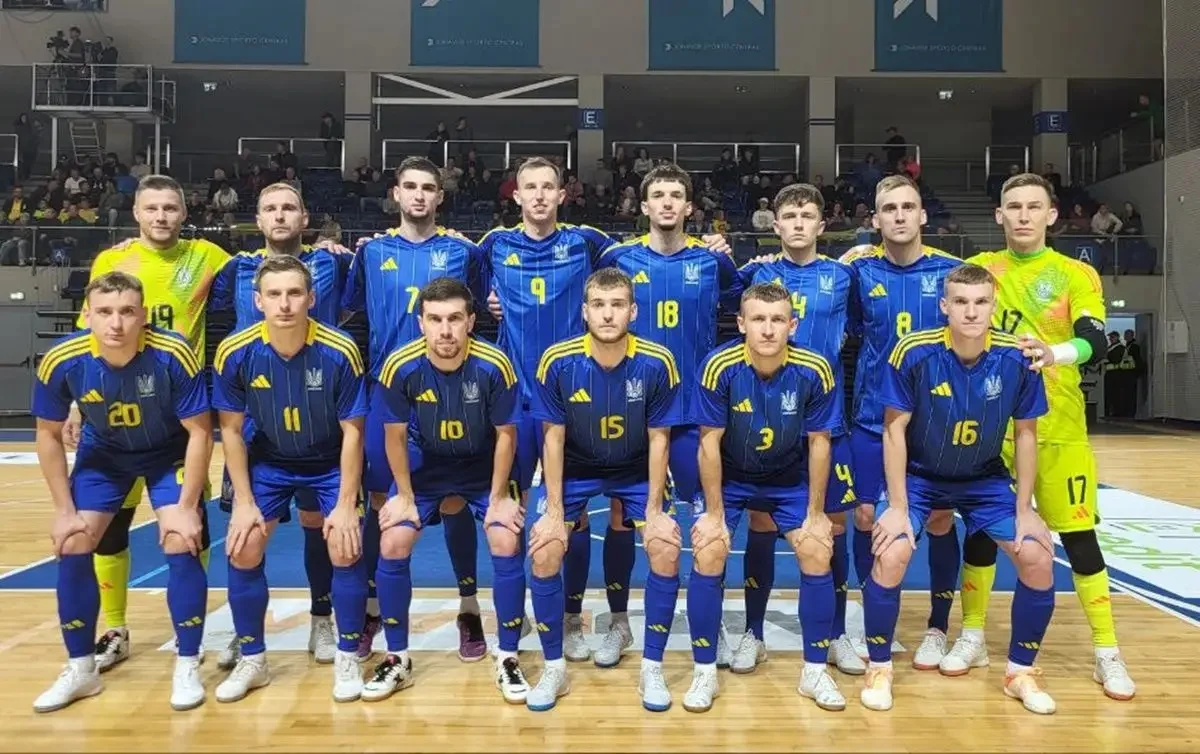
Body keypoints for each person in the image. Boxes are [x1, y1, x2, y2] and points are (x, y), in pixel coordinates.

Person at [481, 156, 730, 661]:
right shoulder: (493, 246)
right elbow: (469, 286)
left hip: (670, 408)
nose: (539, 195)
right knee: (532, 518)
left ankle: (694, 623)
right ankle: (558, 617)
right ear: (516, 195)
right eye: (530, 187)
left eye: (548, 186)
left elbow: (743, 298)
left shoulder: (596, 244)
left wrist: (722, 248)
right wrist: (490, 298)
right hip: (544, 401)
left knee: (692, 523)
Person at [956, 173, 1135, 700]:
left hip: (1059, 429)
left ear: (1052, 215)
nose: (1024, 215)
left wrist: (1053, 353)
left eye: (1034, 206)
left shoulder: (1075, 274)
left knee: (1079, 539)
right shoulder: (982, 270)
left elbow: (1094, 339)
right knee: (982, 533)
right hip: (993, 430)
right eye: (1014, 207)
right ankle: (972, 636)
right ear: (999, 215)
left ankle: (1106, 651)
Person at [863, 264, 1056, 715]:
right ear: (944, 306)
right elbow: (893, 430)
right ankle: (879, 667)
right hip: (921, 476)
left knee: (1036, 555)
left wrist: (1025, 508)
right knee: (891, 551)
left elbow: (1026, 434)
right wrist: (897, 505)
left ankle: (1020, 672)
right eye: (962, 302)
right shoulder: (913, 351)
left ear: (993, 306)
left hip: (984, 479)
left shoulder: (1017, 358)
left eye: (981, 302)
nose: (971, 312)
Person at [69, 174, 229, 673]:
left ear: (185, 213)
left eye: (170, 208)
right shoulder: (112, 261)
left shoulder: (207, 256)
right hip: (113, 416)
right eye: (152, 208)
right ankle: (115, 628)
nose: (161, 216)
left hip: (177, 416)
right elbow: (89, 331)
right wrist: (76, 404)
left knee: (189, 526)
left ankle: (189, 631)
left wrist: (328, 246)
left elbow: (265, 266)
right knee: (110, 528)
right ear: (136, 213)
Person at [32, 272, 212, 712]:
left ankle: (187, 662)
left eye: (128, 312)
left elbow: (200, 432)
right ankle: (81, 669)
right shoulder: (62, 359)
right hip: (105, 456)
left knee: (181, 538)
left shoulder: (172, 353)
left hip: (166, 451)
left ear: (143, 315)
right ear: (87, 315)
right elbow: (48, 435)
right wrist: (63, 510)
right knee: (74, 541)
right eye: (105, 312)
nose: (116, 323)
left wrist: (187, 506)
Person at [593, 164, 743, 668]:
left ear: (689, 206)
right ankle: (619, 622)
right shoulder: (618, 258)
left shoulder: (712, 261)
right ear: (644, 205)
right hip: (631, 410)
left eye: (676, 195)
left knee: (707, 521)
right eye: (658, 195)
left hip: (695, 411)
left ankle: (710, 622)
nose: (667, 203)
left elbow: (748, 302)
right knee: (623, 517)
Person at [341, 156, 488, 662]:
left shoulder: (463, 252)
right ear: (396, 194)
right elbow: (347, 310)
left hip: (451, 394)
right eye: (410, 186)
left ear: (440, 196)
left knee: (454, 500)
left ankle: (468, 607)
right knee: (381, 503)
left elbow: (479, 310)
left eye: (429, 187)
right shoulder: (371, 252)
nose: (419, 195)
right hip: (387, 396)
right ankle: (373, 609)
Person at [205, 182, 355, 669]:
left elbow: (365, 295)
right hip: (258, 420)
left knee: (321, 526)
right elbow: (202, 307)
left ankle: (322, 619)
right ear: (258, 219)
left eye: (290, 207)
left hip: (319, 412)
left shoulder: (333, 262)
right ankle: (246, 633)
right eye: (270, 208)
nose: (280, 216)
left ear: (304, 218)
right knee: (246, 533)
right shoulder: (235, 268)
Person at [525, 268, 683, 711]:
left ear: (633, 311)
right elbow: (552, 438)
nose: (608, 314)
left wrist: (655, 510)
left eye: (617, 305)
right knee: (545, 548)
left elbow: (659, 439)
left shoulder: (657, 361)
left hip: (635, 467)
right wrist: (554, 511)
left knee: (665, 547)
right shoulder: (557, 360)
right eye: (598, 305)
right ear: (585, 312)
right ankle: (554, 668)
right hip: (577, 466)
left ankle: (651, 666)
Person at [363, 278, 526, 703]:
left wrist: (498, 498)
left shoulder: (495, 364)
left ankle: (508, 656)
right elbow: (395, 436)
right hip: (428, 464)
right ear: (421, 323)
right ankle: (397, 658)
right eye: (435, 319)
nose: (445, 330)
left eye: (455, 318)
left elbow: (507, 435)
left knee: (505, 539)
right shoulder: (400, 365)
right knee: (393, 540)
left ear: (471, 321)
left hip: (481, 465)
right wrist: (403, 495)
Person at [687, 282, 843, 713]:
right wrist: (714, 514)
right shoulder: (718, 367)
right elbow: (708, 443)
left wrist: (815, 513)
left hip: (788, 477)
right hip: (732, 476)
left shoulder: (815, 369)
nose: (768, 329)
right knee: (710, 549)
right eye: (758, 319)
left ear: (793, 325)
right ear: (741, 324)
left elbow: (820, 444)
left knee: (817, 549)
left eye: (778, 320)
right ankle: (704, 671)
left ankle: (814, 671)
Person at [735, 184, 862, 675]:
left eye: (807, 215)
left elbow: (863, 328)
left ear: (821, 225)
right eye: (789, 216)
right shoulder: (757, 274)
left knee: (832, 527)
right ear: (776, 225)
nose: (798, 224)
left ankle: (835, 634)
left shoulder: (844, 276)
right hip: (766, 419)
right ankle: (753, 632)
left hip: (826, 419)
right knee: (762, 524)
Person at [841, 175, 963, 668]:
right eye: (888, 208)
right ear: (875, 219)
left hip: (935, 420)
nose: (898, 215)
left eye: (907, 206)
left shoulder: (952, 272)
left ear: (922, 215)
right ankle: (869, 616)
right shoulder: (859, 272)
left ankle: (937, 626)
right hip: (873, 416)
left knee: (939, 518)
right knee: (865, 516)